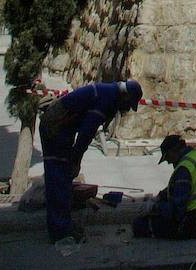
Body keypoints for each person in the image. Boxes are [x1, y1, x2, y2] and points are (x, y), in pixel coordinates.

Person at [38, 79, 143, 244]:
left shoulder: (109, 93)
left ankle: (62, 226)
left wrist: (74, 159)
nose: (127, 109)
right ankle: (60, 231)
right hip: (56, 127)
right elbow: (87, 132)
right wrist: (76, 159)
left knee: (62, 177)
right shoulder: (107, 98)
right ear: (125, 96)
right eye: (128, 104)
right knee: (58, 178)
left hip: (62, 127)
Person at [133, 134, 196, 239]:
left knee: (138, 225)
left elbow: (176, 211)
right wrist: (160, 196)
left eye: (167, 157)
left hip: (191, 223)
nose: (168, 162)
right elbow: (187, 186)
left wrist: (155, 207)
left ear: (173, 151)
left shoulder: (184, 170)